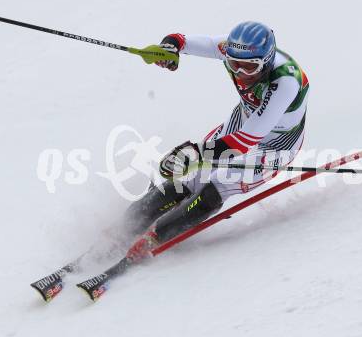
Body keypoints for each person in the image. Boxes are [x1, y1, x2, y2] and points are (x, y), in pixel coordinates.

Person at [126, 21, 309, 261]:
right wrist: (169, 48)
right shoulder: (233, 48)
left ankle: (156, 238)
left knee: (216, 185)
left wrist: (195, 154)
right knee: (192, 179)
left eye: (249, 67)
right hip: (244, 121)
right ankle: (127, 224)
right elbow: (183, 41)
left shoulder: (286, 81)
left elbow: (247, 140)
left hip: (275, 145)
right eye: (234, 65)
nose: (241, 73)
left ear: (266, 61)